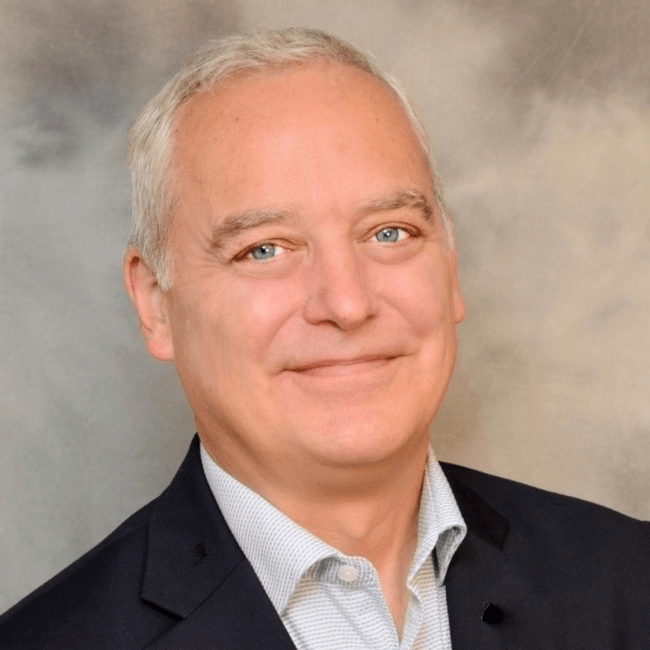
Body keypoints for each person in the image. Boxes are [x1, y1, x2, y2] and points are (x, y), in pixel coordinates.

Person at [0, 27, 648, 650]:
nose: (347, 302)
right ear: (154, 305)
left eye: (389, 232)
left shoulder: (630, 584)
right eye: (265, 249)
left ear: (450, 269)